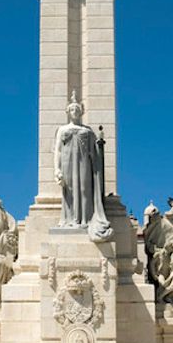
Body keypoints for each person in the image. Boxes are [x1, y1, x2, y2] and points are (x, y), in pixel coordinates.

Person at [53, 92, 112, 240]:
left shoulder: (88, 131)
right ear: (68, 112)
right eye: (72, 109)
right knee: (70, 191)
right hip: (67, 163)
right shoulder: (62, 129)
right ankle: (70, 220)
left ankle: (85, 219)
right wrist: (57, 170)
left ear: (82, 112)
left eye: (77, 109)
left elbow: (95, 154)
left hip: (84, 164)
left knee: (85, 189)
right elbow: (58, 151)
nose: (75, 112)